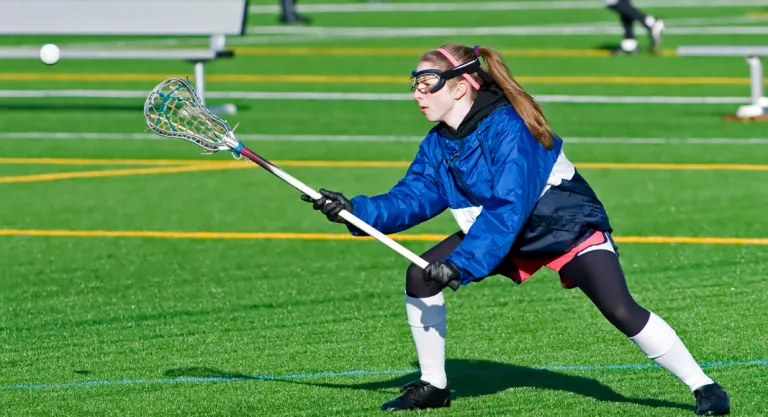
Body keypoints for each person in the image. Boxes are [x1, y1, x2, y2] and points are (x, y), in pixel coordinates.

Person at [301, 44, 730, 415]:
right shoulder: (438, 143)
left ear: (460, 85)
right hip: (499, 234)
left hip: (562, 226)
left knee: (620, 309)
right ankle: (434, 386)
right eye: (413, 83)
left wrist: (463, 265)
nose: (417, 93)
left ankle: (704, 386)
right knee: (420, 275)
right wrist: (355, 211)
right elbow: (412, 197)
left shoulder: (510, 128)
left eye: (426, 82)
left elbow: (510, 205)